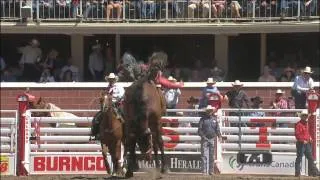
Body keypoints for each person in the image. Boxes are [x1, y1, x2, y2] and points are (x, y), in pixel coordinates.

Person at [294, 110, 320, 177]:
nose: (305, 117)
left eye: (306, 116)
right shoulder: (298, 124)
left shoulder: (305, 124)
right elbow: (297, 134)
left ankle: (315, 172)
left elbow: (306, 133)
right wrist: (303, 140)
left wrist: (310, 137)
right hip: (301, 144)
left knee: (310, 158)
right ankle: (297, 173)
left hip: (306, 143)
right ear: (302, 116)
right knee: (300, 158)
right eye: (304, 116)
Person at [198, 105, 222, 175]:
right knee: (204, 156)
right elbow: (199, 130)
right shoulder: (202, 119)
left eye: (210, 111)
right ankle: (204, 171)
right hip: (205, 139)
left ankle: (211, 171)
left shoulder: (214, 119)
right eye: (208, 111)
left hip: (212, 139)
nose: (209, 112)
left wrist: (219, 135)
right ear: (206, 111)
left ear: (212, 111)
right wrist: (203, 137)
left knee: (211, 156)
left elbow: (217, 129)